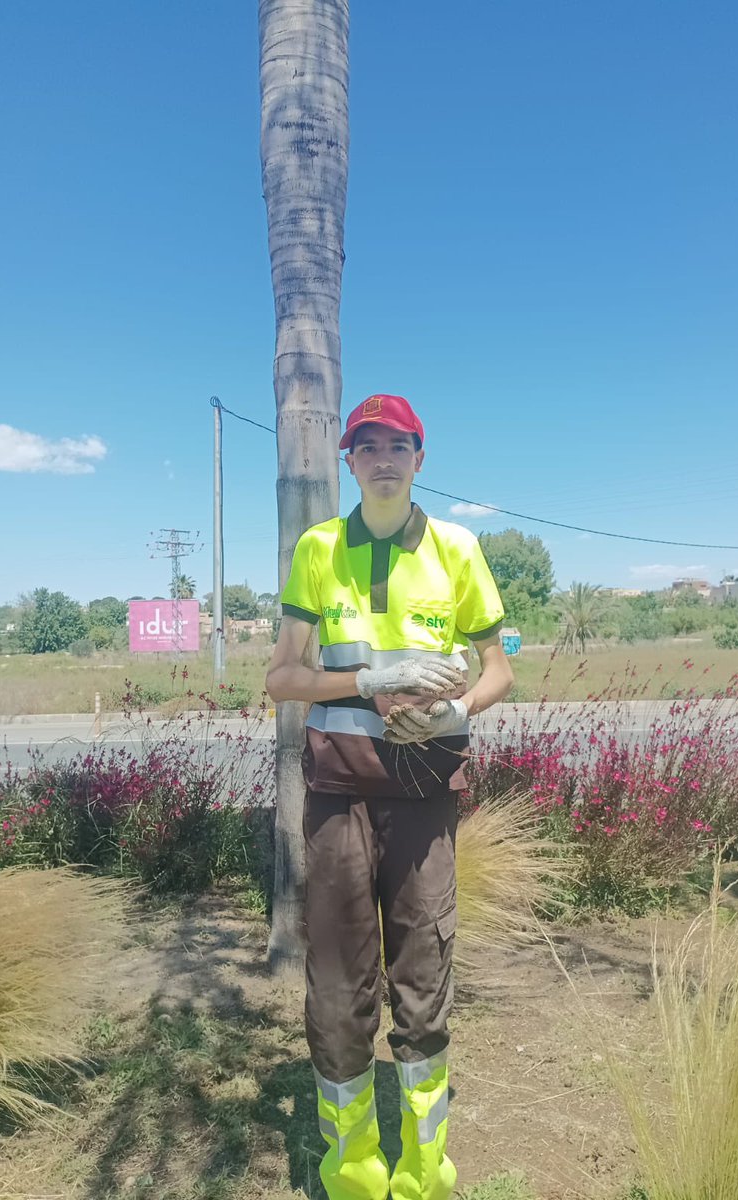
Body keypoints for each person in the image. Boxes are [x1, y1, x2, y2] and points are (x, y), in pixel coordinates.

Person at [266, 393, 513, 1200]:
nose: (380, 458)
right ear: (348, 461)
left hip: (424, 788)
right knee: (338, 981)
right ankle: (353, 1162)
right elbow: (282, 678)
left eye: (396, 445)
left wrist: (457, 708)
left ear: (418, 458)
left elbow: (498, 669)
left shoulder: (458, 549)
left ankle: (422, 1162)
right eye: (364, 445)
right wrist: (367, 678)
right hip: (337, 791)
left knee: (423, 968)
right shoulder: (318, 549)